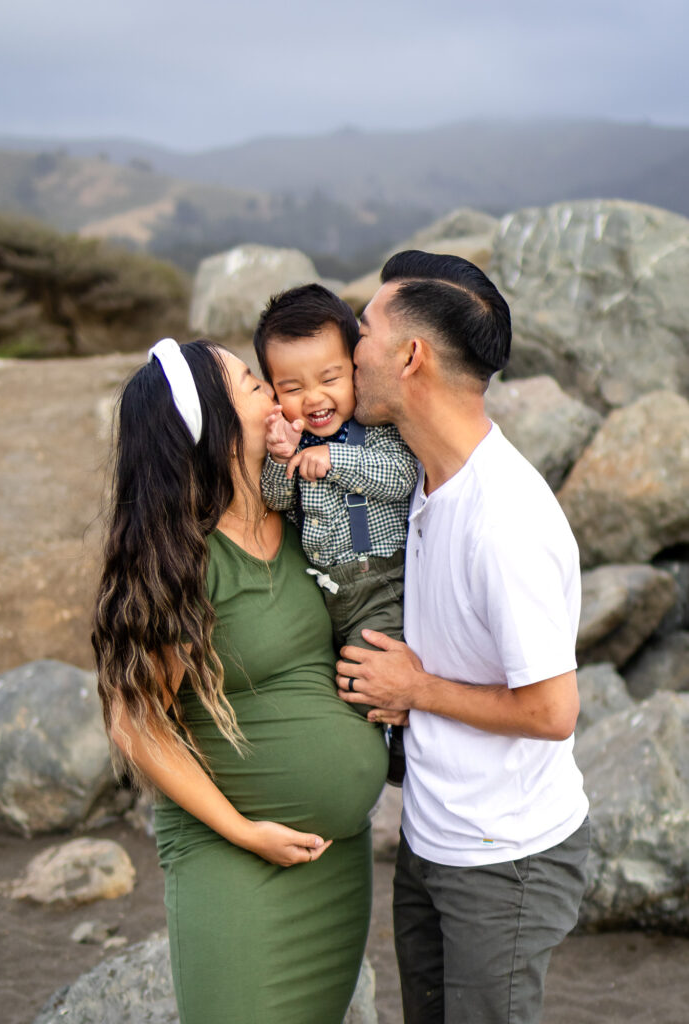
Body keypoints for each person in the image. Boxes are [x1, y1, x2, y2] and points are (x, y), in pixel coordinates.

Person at [92, 337, 388, 1024]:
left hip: (334, 863)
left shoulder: (301, 517)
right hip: (238, 859)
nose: (275, 393)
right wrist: (245, 831)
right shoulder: (183, 560)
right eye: (254, 383)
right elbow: (135, 723)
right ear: (216, 427)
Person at [335, 251, 590, 1024]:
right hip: (435, 840)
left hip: (503, 862)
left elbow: (553, 713)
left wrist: (416, 690)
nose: (352, 347)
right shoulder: (420, 474)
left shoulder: (505, 518)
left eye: (365, 329)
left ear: (410, 357)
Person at [253, 283, 417, 785]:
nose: (315, 398)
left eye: (329, 378)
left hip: (379, 581)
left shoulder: (378, 431)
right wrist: (282, 461)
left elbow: (401, 478)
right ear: (274, 392)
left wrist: (334, 460)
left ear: (355, 369)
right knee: (342, 678)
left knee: (381, 659)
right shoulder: (291, 441)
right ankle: (354, 747)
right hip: (323, 594)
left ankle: (405, 747)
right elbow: (277, 502)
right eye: (293, 388)